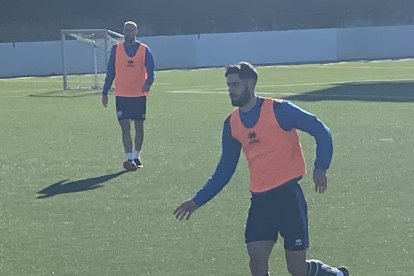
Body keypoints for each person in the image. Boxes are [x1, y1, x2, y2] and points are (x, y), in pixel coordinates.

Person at [173, 62, 349, 276]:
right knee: (257, 262)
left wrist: (321, 167)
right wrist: (197, 201)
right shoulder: (231, 124)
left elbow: (321, 130)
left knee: (296, 269)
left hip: (288, 199)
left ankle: (333, 274)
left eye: (235, 84)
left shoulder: (280, 110)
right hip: (260, 202)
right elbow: (225, 169)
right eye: (228, 85)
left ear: (251, 83)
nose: (230, 90)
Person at [101, 20, 155, 171]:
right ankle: (129, 158)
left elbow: (152, 71)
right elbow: (111, 72)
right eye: (125, 30)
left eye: (130, 30)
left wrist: (148, 83)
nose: (127, 33)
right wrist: (105, 92)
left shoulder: (144, 49)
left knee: (139, 127)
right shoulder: (116, 49)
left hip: (138, 95)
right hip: (122, 95)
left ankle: (137, 156)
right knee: (125, 128)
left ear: (136, 32)